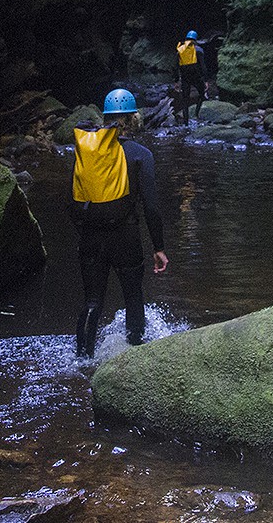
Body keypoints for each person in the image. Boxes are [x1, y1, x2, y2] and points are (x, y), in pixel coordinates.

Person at [69, 88, 168, 359]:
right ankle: (134, 359)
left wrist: (86, 231)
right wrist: (158, 247)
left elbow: (72, 201)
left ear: (106, 117)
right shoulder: (141, 154)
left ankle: (81, 363)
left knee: (92, 302)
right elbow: (151, 207)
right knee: (134, 297)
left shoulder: (88, 152)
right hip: (126, 236)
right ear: (134, 117)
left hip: (91, 237)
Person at [176, 30, 206, 120]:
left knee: (185, 101)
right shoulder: (199, 50)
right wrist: (206, 80)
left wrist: (176, 80)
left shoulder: (180, 51)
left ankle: (186, 123)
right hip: (197, 78)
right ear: (195, 39)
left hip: (185, 78)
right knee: (202, 94)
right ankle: (196, 114)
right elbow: (203, 66)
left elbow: (176, 67)